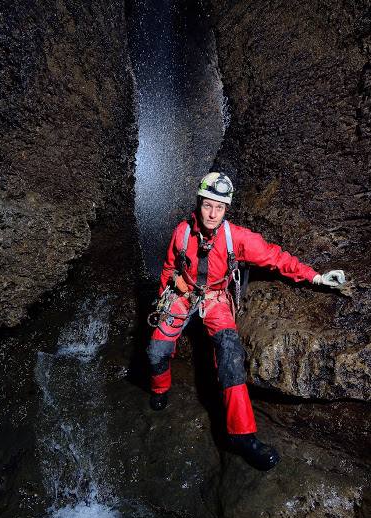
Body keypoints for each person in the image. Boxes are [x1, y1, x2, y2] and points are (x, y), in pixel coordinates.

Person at [146, 172, 346, 471]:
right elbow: (168, 268)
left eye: (220, 207)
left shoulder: (236, 238)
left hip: (215, 299)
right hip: (183, 294)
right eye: (208, 205)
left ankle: (242, 435)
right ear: (199, 204)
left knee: (230, 355)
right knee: (156, 351)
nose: (213, 214)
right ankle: (159, 389)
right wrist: (166, 298)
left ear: (227, 209)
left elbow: (276, 258)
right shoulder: (182, 233)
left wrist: (316, 276)